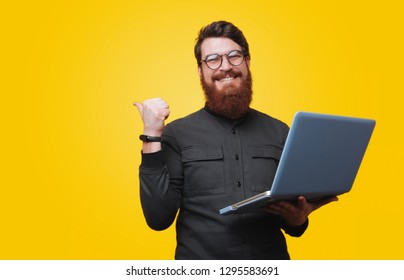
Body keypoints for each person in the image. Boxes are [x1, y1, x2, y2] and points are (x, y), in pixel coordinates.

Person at [134, 20, 337, 260]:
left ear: (248, 63)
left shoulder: (280, 132)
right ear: (200, 71)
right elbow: (158, 219)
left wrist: (298, 219)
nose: (225, 66)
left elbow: (293, 223)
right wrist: (151, 134)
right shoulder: (176, 135)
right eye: (212, 59)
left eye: (234, 56)